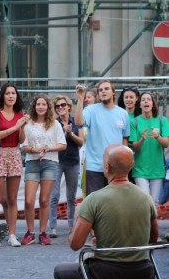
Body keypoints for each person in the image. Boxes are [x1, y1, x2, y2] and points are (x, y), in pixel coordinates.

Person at [54, 144, 159, 279]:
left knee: (60, 271)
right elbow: (153, 238)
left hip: (106, 273)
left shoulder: (94, 199)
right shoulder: (146, 198)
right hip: (143, 273)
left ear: (107, 166)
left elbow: (75, 244)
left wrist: (77, 218)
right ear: (132, 165)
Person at [0, 83, 30, 247]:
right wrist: (16, 126)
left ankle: (12, 234)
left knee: (12, 198)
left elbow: (21, 140)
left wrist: (22, 127)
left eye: (14, 93)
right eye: (8, 93)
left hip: (14, 154)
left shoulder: (19, 114)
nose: (11, 96)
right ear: (2, 96)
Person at [21, 94, 66, 245]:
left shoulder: (55, 124)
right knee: (28, 201)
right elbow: (23, 146)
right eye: (38, 104)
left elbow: (63, 144)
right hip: (32, 163)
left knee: (45, 200)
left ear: (48, 107)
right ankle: (30, 232)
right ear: (34, 107)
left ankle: (42, 232)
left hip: (50, 162)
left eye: (43, 104)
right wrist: (34, 150)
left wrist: (48, 148)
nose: (41, 107)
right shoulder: (28, 124)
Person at [74, 80, 130, 195]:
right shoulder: (90, 110)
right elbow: (79, 123)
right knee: (95, 207)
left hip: (116, 169)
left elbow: (125, 140)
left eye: (106, 89)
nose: (103, 92)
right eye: (100, 90)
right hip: (94, 168)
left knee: (113, 206)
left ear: (113, 92)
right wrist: (80, 99)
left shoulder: (123, 113)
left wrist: (125, 165)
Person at [49, 95, 83, 238]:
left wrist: (71, 133)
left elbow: (81, 142)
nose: (60, 108)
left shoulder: (76, 121)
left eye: (63, 105)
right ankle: (52, 227)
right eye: (57, 106)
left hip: (73, 161)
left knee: (71, 196)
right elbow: (52, 142)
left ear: (69, 106)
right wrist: (64, 132)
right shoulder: (53, 123)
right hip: (57, 161)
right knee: (54, 195)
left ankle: (71, 225)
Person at [129, 92, 169, 206]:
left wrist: (157, 137)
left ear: (153, 104)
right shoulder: (134, 122)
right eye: (143, 100)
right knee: (145, 201)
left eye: (149, 99)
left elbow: (166, 144)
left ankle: (152, 224)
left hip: (157, 169)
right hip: (140, 169)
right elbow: (134, 147)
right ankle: (146, 224)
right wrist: (142, 138)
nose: (146, 101)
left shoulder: (162, 120)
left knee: (154, 203)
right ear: (140, 104)